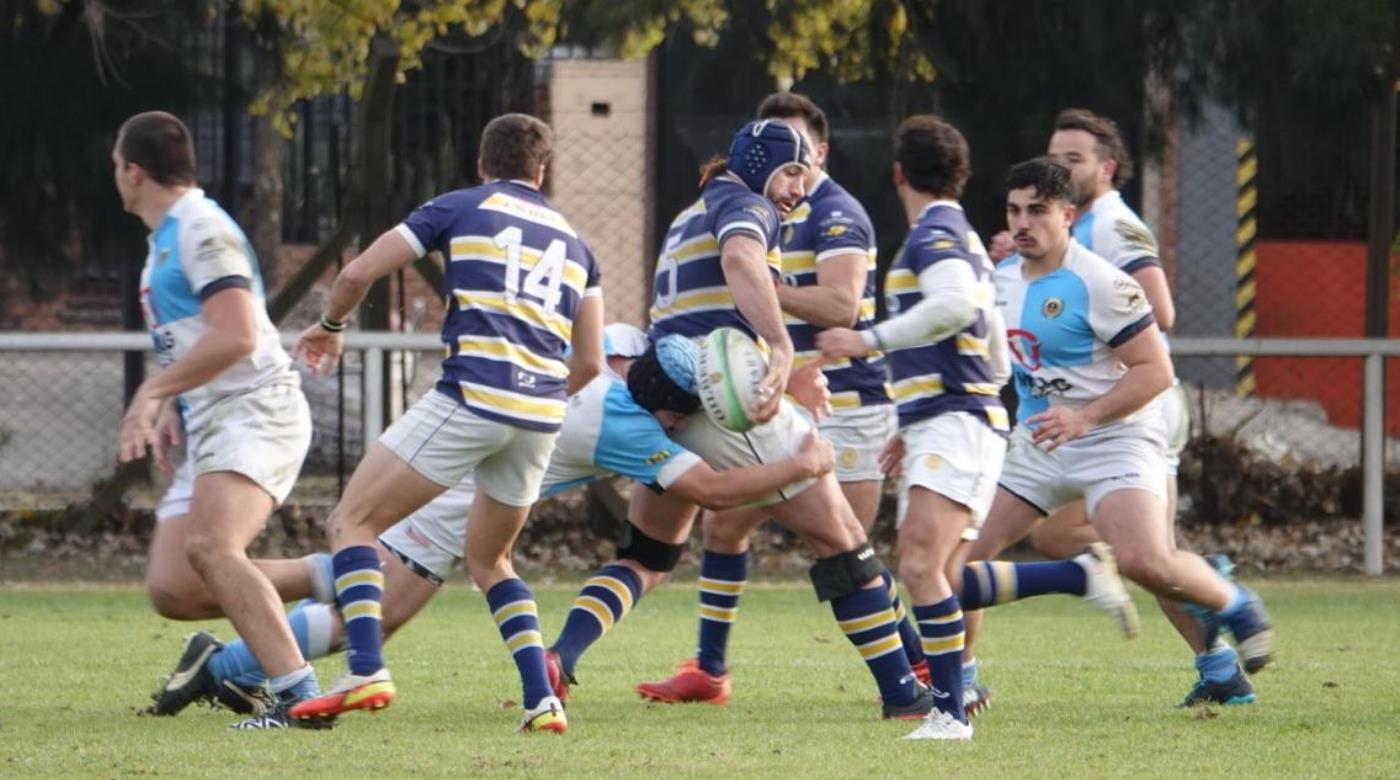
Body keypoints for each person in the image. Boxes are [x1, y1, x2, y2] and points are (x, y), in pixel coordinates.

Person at [147, 324, 836, 721]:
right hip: (457, 492)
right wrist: (799, 461)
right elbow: (714, 490)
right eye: (684, 414)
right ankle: (228, 657)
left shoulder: (626, 353)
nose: (685, 425)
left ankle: (230, 649)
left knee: (361, 579)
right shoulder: (626, 423)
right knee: (382, 609)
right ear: (668, 406)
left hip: (459, 445)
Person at [553, 119, 934, 722]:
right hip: (726, 406)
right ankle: (905, 690)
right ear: (758, 163)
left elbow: (703, 308)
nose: (795, 190)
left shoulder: (691, 211)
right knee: (841, 540)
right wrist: (781, 349)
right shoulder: (747, 205)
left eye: (804, 178)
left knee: (649, 556)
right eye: (789, 173)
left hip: (668, 397)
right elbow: (739, 261)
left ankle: (560, 655)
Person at [285, 113, 605, 733]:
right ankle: (543, 701)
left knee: (351, 520)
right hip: (541, 414)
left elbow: (355, 273)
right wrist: (534, 396)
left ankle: (366, 667)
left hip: (471, 396)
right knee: (491, 561)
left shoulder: (460, 206)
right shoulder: (577, 244)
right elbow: (590, 360)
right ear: (543, 172)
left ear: (483, 165)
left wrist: (330, 327)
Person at [974, 109, 1263, 708]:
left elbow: (1155, 365)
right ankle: (960, 682)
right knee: (963, 558)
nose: (1023, 223)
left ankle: (1229, 603)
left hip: (1118, 433)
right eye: (1014, 211)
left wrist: (1085, 415)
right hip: (1039, 443)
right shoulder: (1001, 278)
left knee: (1145, 559)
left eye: (1038, 211)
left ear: (1069, 212)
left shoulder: (1105, 271)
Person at [112, 111, 324, 729]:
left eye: (115, 167)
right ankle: (335, 576)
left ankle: (297, 696)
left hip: (254, 408)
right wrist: (178, 401)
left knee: (211, 546)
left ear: (133, 172)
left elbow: (235, 336)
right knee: (175, 585)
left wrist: (153, 391)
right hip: (212, 416)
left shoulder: (201, 229)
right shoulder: (167, 236)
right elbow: (198, 338)